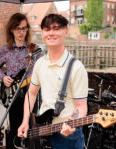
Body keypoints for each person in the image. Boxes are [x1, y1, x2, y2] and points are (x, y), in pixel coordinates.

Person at [17, 14, 88, 149]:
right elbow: (31, 94)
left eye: (56, 29)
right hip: (42, 130)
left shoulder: (76, 67)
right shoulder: (39, 62)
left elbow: (81, 105)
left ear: (65, 32)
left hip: (67, 134)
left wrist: (72, 123)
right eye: (47, 29)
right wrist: (25, 121)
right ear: (42, 33)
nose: (51, 33)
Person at [0, 13, 41, 148]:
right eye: (18, 28)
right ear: (12, 30)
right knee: (14, 125)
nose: (22, 32)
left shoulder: (35, 50)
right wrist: (3, 77)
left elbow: (41, 72)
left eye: (24, 28)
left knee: (31, 126)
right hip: (11, 93)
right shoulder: (5, 49)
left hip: (30, 92)